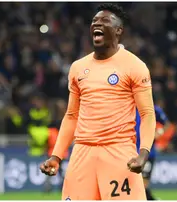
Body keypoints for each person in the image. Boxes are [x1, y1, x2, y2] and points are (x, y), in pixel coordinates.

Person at [40, 3, 156, 200]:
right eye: (94, 21)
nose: (97, 24)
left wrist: (143, 153)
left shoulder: (135, 66)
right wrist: (56, 155)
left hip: (118, 151)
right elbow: (71, 116)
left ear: (118, 30)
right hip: (82, 153)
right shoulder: (78, 68)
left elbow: (147, 114)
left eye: (104, 21)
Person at [136, 105, 173, 200]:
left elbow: (167, 124)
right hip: (130, 152)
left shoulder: (154, 109)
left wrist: (159, 133)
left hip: (147, 153)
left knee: (143, 183)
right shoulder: (129, 107)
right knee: (134, 183)